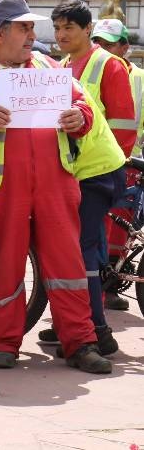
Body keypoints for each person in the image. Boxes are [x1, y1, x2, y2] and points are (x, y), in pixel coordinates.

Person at [0, 0, 112, 373]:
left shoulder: (48, 67)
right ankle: (4, 344)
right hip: (0, 188)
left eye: (32, 27)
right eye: (24, 27)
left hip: (54, 185)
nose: (34, 34)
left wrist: (76, 117)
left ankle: (79, 343)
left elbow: (86, 111)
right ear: (1, 33)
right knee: (3, 265)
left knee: (67, 265)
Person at [36, 0, 132, 353]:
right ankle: (71, 321)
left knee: (81, 252)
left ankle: (96, 331)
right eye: (57, 29)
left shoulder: (110, 65)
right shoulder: (60, 65)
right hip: (75, 172)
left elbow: (123, 125)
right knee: (81, 250)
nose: (61, 35)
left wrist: (115, 167)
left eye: (69, 29)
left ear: (87, 29)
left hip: (99, 171)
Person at [91, 18, 143, 311]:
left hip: (128, 162)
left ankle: (109, 287)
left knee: (118, 228)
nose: (104, 49)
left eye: (111, 44)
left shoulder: (139, 77)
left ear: (125, 47)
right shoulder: (91, 68)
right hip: (93, 163)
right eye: (99, 43)